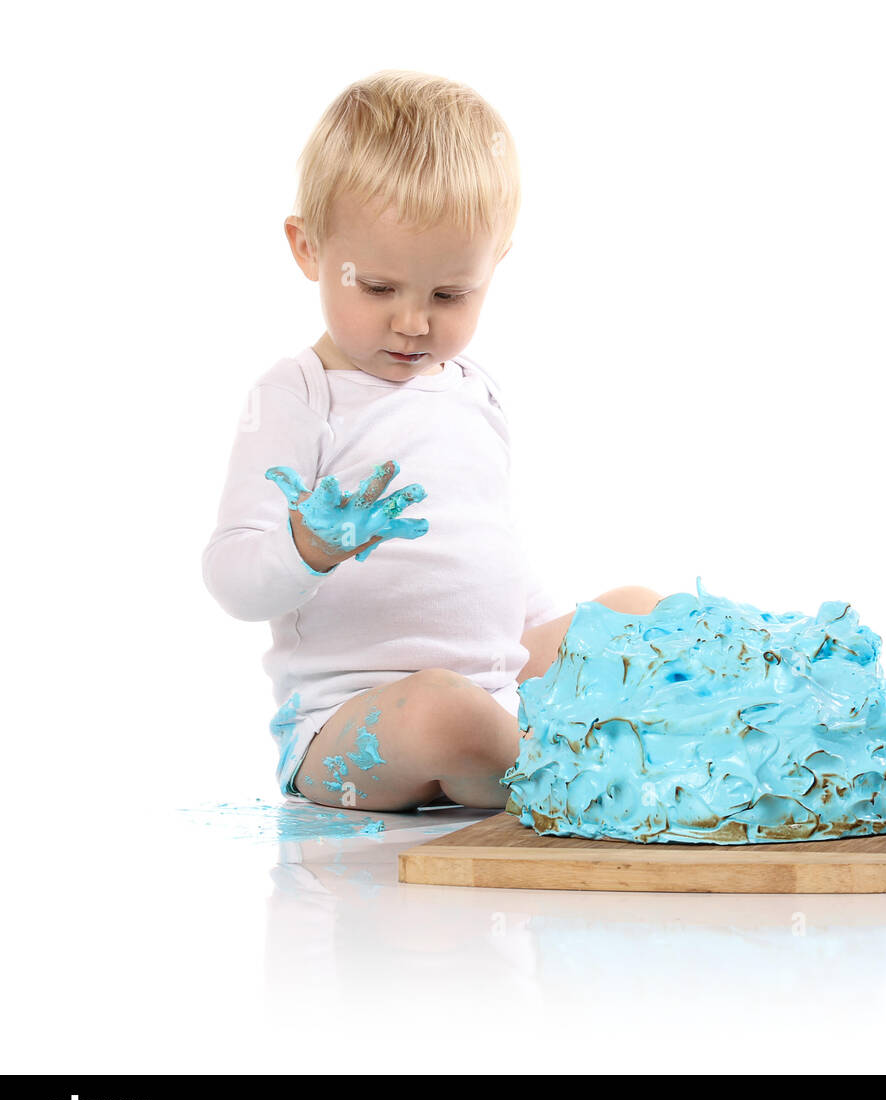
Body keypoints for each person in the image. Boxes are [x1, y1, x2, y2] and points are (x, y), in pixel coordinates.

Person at [201, 69, 661, 812]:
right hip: (352, 728)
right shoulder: (299, 395)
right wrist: (305, 548)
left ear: (495, 264)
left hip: (491, 688)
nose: (414, 322)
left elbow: (487, 551)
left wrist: (549, 633)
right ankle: (582, 776)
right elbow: (229, 575)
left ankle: (569, 751)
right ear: (308, 248)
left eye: (450, 294)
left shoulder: (472, 388)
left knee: (645, 610)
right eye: (378, 288)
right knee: (447, 714)